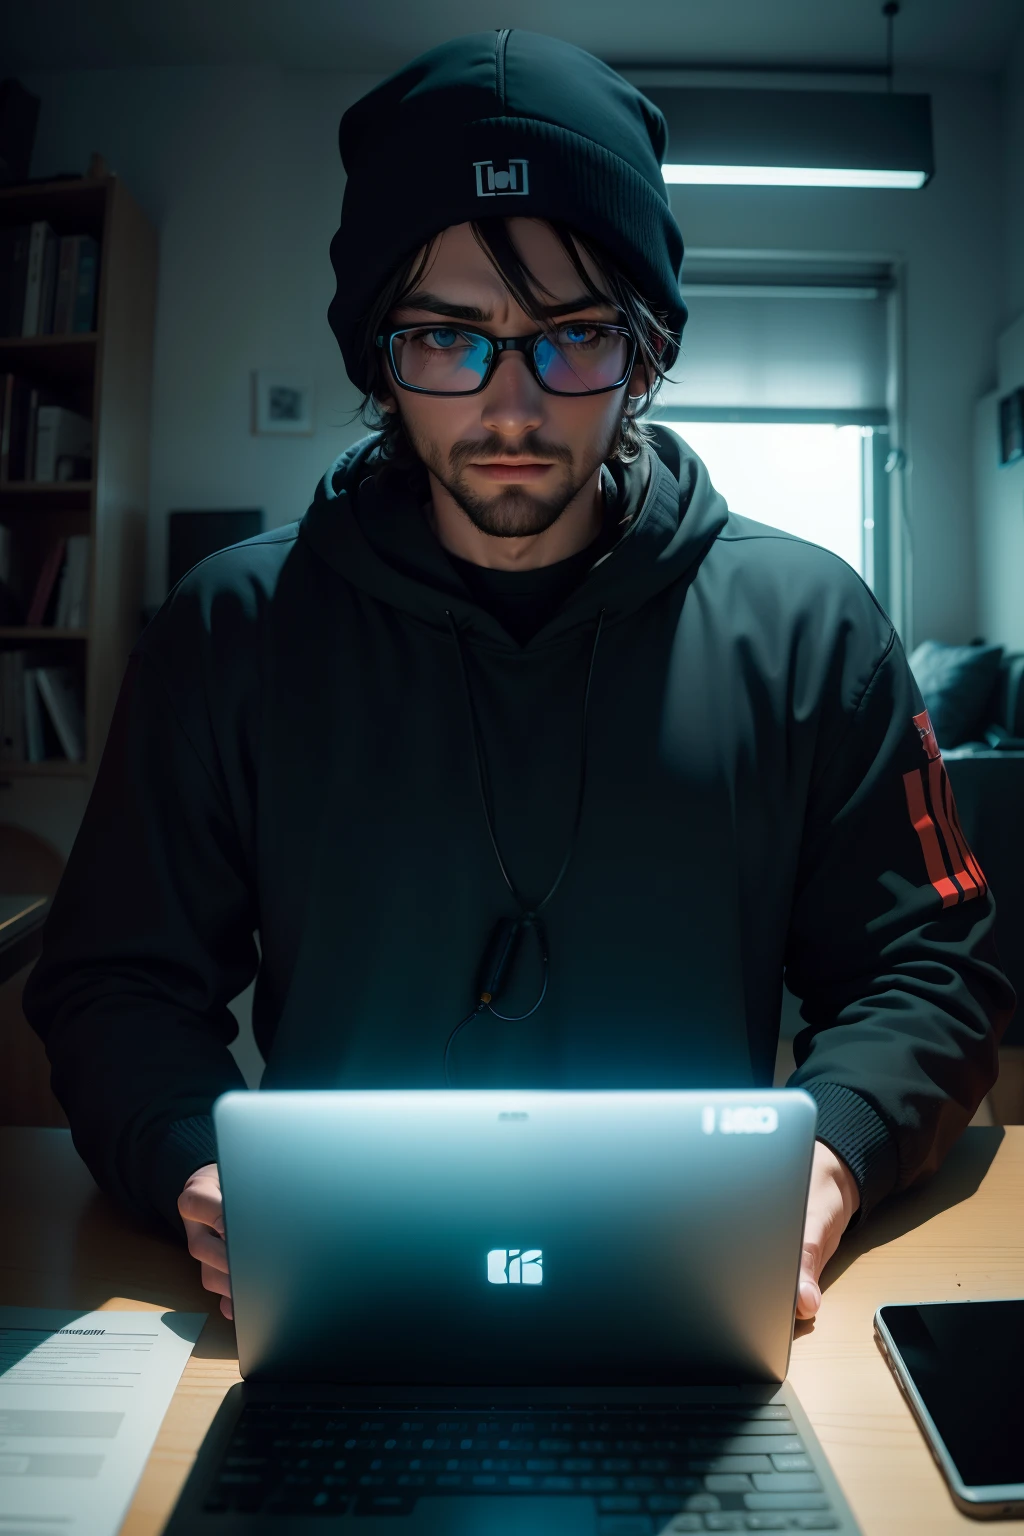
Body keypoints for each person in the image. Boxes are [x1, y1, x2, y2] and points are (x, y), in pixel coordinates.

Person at [23, 30, 1014, 1329]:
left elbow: (930, 965)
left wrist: (831, 1160)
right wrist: (189, 1163)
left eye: (572, 336)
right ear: (378, 350)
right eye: (449, 337)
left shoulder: (811, 628)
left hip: (696, 1304)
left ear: (647, 346)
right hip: (331, 1304)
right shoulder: (234, 631)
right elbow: (115, 981)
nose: (510, 405)